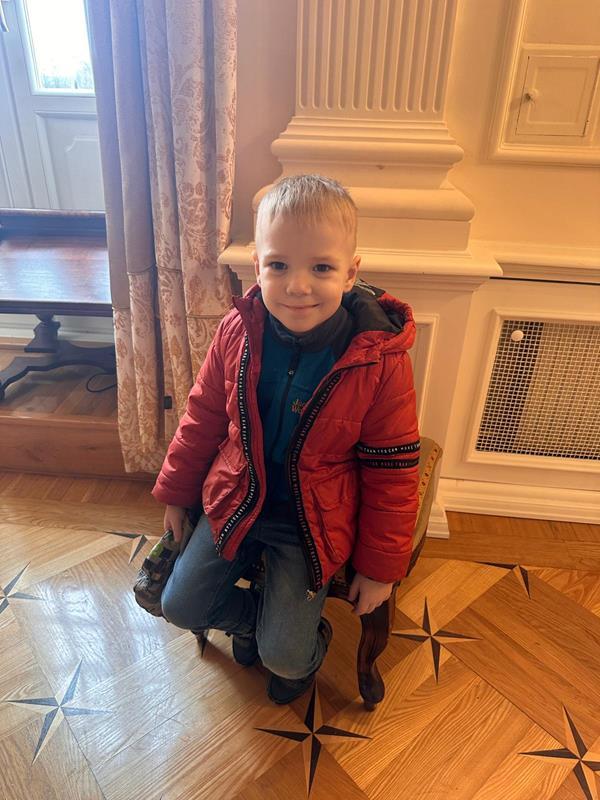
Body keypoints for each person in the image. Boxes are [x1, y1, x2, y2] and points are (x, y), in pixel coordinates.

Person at [151, 174, 420, 704]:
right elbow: (202, 417)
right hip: (235, 497)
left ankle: (297, 649)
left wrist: (379, 569)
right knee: (178, 606)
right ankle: (255, 625)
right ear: (257, 266)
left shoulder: (380, 361)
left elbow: (393, 472)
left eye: (321, 267)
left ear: (350, 273)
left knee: (286, 657)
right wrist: (177, 493)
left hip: (311, 521)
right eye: (279, 265)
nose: (298, 286)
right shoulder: (236, 331)